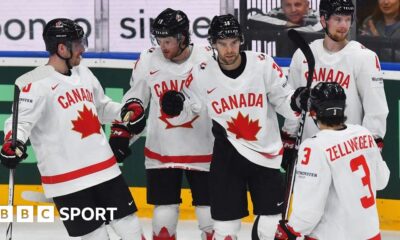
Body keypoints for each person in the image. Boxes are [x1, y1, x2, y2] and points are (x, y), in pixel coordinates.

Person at [0, 18, 145, 240]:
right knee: (95, 237)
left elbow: (102, 107)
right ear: (61, 48)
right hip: (66, 181)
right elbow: (19, 122)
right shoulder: (33, 82)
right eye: (78, 44)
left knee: (131, 228)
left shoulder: (84, 72)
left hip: (105, 170)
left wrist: (125, 111)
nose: (82, 50)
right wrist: (13, 143)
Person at [161, 14, 299, 240]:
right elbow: (189, 110)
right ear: (213, 44)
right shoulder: (202, 73)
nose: (229, 49)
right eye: (223, 44)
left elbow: (284, 102)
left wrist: (297, 102)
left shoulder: (263, 64)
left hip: (265, 156)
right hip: (227, 158)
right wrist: (175, 108)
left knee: (270, 227)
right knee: (225, 230)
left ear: (241, 40)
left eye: (234, 42)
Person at [114, 8, 214, 240]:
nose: (162, 46)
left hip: (204, 148)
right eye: (159, 40)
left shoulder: (208, 56)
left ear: (182, 37)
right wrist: (126, 125)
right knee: (163, 217)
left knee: (210, 216)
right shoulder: (149, 58)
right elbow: (135, 96)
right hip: (162, 150)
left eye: (167, 40)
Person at [281, 0, 389, 171]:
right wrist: (289, 140)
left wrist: (371, 147)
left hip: (348, 153)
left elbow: (376, 110)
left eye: (347, 19)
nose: (344, 25)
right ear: (323, 20)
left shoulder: (364, 57)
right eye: (338, 19)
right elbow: (293, 102)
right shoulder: (303, 55)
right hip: (311, 152)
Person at [274, 82, 390, 240]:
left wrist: (292, 230)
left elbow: (309, 209)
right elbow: (382, 181)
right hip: (371, 234)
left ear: (313, 113)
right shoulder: (364, 134)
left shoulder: (313, 147)